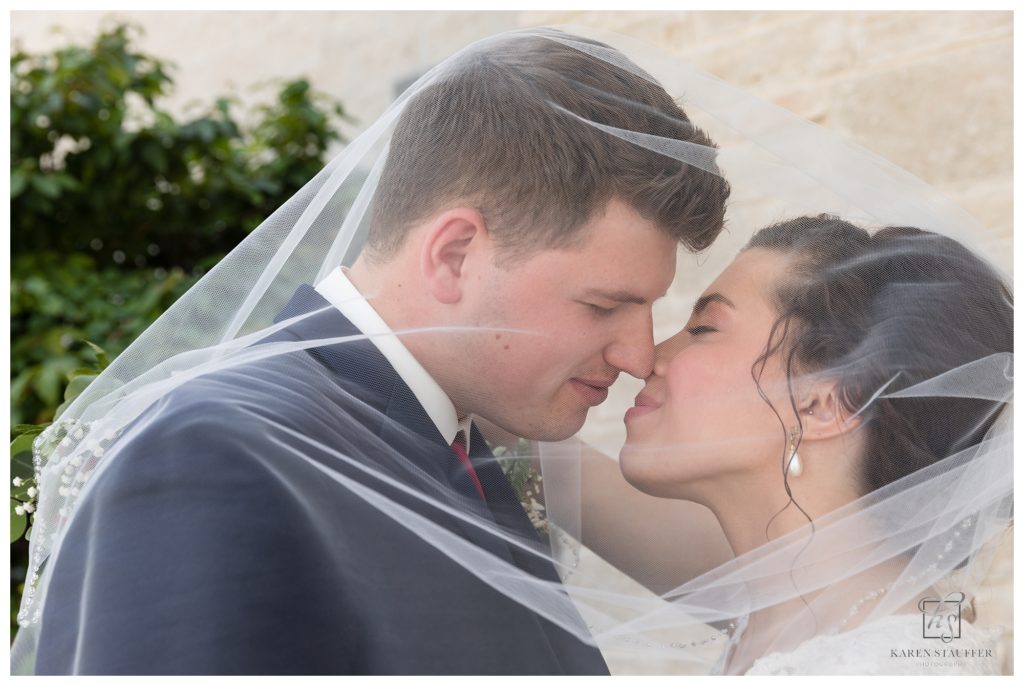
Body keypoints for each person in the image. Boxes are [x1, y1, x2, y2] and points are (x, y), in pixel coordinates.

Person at [18, 29, 730, 675]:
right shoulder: (209, 456)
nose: (640, 355)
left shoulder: (476, 446)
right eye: (603, 306)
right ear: (454, 255)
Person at [607, 215, 1012, 674]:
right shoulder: (792, 631)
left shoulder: (890, 670)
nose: (648, 358)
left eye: (704, 330)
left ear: (820, 404)